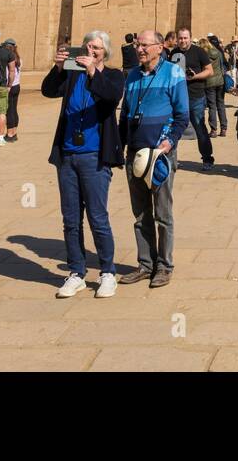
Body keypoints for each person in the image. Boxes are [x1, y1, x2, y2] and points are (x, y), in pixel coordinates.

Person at [42, 30, 126, 299]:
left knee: (98, 217)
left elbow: (111, 97)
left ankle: (107, 272)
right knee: (70, 219)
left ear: (106, 52)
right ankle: (76, 272)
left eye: (98, 48)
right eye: (89, 46)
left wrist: (93, 72)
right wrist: (57, 68)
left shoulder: (112, 76)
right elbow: (48, 91)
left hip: (95, 155)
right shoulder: (71, 74)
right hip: (67, 155)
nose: (92, 51)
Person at [118, 31, 190, 288]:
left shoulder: (173, 73)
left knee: (162, 213)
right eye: (138, 45)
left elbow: (183, 115)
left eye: (145, 45)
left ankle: (164, 266)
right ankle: (145, 264)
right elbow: (125, 114)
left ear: (160, 47)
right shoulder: (133, 76)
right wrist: (121, 145)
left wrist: (169, 141)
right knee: (140, 214)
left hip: (160, 154)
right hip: (134, 153)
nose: (140, 49)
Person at [169, 28, 215, 169]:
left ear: (190, 38)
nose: (183, 41)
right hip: (177, 97)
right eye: (180, 38)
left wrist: (194, 76)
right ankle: (170, 159)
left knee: (200, 128)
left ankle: (207, 159)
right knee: (172, 128)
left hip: (195, 96)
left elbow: (210, 71)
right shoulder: (174, 53)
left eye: (185, 38)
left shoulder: (199, 52)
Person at [201, 35, 227, 139]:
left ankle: (213, 130)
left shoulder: (204, 55)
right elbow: (222, 65)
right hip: (220, 81)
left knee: (212, 106)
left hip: (209, 82)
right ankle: (224, 128)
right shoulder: (218, 52)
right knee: (221, 104)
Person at [3, 38, 23, 142]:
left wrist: (8, 86)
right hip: (17, 86)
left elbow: (10, 74)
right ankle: (14, 132)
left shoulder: (7, 59)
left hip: (9, 86)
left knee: (9, 110)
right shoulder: (19, 58)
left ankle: (10, 134)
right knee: (14, 109)